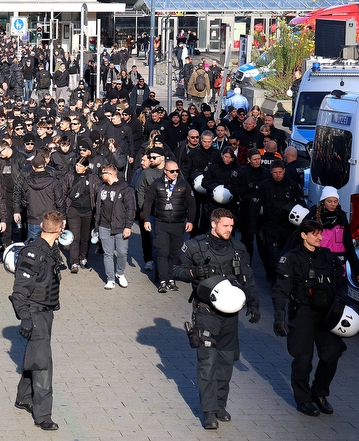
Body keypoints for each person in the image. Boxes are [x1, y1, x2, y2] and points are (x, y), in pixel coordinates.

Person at [172, 208, 261, 430]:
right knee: (208, 364)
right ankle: (209, 412)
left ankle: (220, 405)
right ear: (214, 224)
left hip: (231, 317)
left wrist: (254, 303)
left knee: (225, 364)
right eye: (225, 226)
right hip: (206, 314)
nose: (230, 230)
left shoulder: (239, 248)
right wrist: (193, 273)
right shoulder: (195, 245)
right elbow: (174, 270)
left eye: (232, 226)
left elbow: (247, 278)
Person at [272, 220, 358, 417]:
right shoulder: (291, 258)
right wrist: (279, 316)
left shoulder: (328, 257)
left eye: (321, 234)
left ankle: (319, 393)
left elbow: (342, 283)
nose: (320, 237)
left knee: (331, 355)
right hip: (302, 312)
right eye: (315, 234)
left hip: (327, 314)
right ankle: (303, 399)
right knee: (303, 359)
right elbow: (280, 290)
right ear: (304, 235)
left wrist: (340, 300)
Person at [10, 211, 66, 431]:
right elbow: (19, 291)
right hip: (35, 314)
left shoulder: (50, 250)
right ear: (59, 230)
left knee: (35, 354)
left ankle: (24, 397)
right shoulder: (33, 253)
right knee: (43, 364)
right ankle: (43, 416)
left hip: (46, 312)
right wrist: (25, 318)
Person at [142, 161, 195, 293]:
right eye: (172, 171)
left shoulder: (183, 184)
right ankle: (163, 280)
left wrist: (191, 221)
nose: (175, 173)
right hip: (161, 223)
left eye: (177, 171)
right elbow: (148, 201)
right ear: (165, 171)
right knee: (162, 252)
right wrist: (147, 220)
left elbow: (192, 204)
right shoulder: (157, 184)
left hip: (178, 224)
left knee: (174, 253)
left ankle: (171, 278)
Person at [95, 164, 136, 290]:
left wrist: (128, 226)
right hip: (104, 225)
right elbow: (98, 207)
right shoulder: (102, 188)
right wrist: (96, 226)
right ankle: (110, 279)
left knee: (122, 252)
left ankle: (120, 273)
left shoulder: (125, 188)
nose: (101, 176)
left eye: (103, 173)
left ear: (110, 174)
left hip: (120, 226)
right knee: (108, 253)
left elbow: (131, 208)